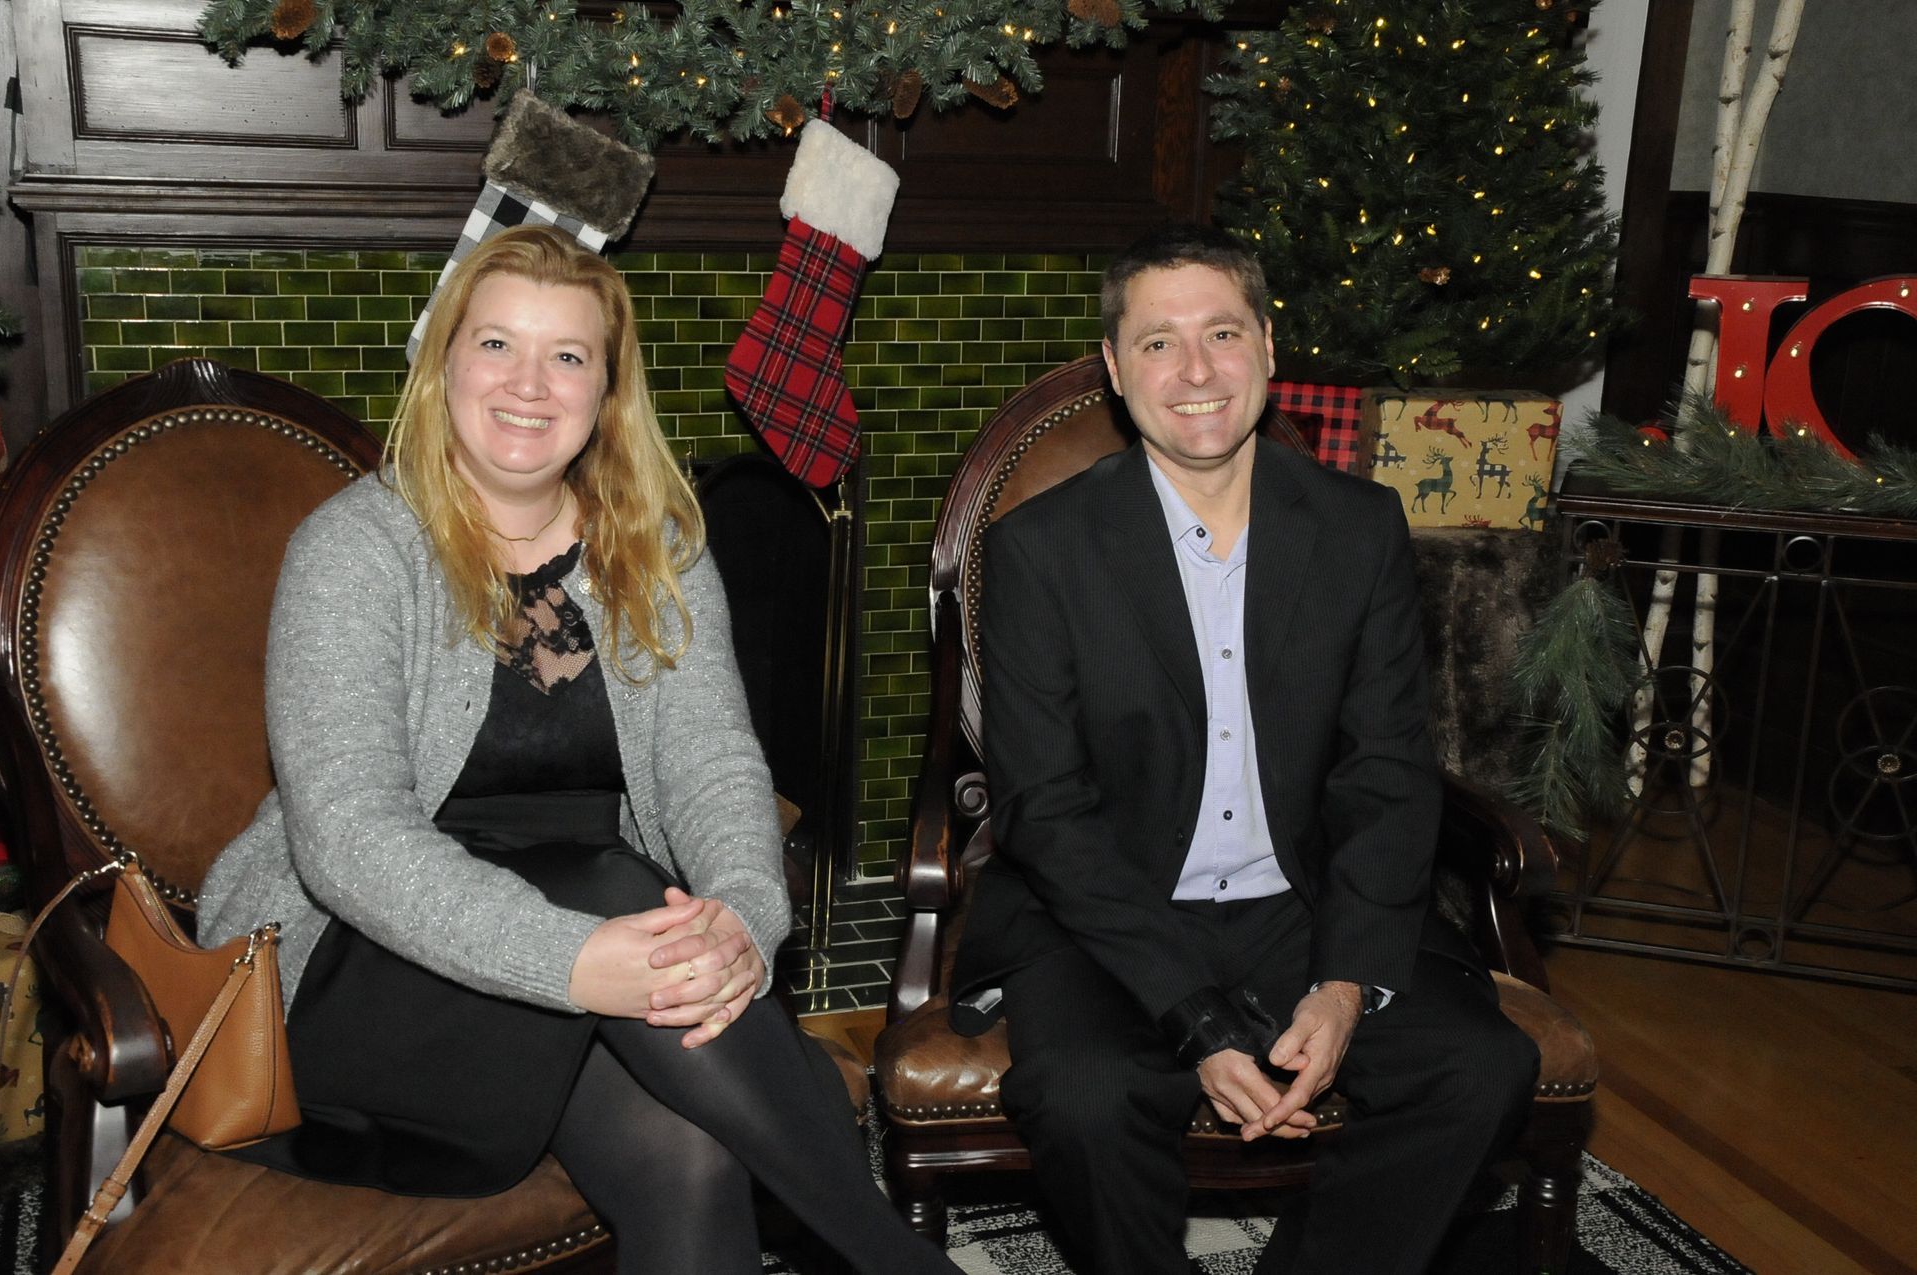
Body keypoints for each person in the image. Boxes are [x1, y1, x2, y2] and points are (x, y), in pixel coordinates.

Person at [198, 224, 956, 1275]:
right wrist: (575, 957)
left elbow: (714, 762)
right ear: (444, 366)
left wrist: (744, 914)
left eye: (567, 355)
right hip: (361, 973)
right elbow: (347, 839)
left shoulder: (658, 546)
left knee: (692, 1152)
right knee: (609, 883)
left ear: (606, 391)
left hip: (600, 961)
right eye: (496, 344)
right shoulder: (355, 549)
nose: (529, 384)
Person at [947, 223, 1541, 1274]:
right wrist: (1199, 1021)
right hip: (1108, 915)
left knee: (1480, 1068)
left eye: (1222, 333)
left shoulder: (1358, 528)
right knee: (1085, 1096)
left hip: (1300, 904)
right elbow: (1045, 810)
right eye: (1159, 342)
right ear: (1116, 370)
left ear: (1267, 347)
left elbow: (1386, 771)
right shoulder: (1040, 550)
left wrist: (1345, 983)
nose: (1197, 371)